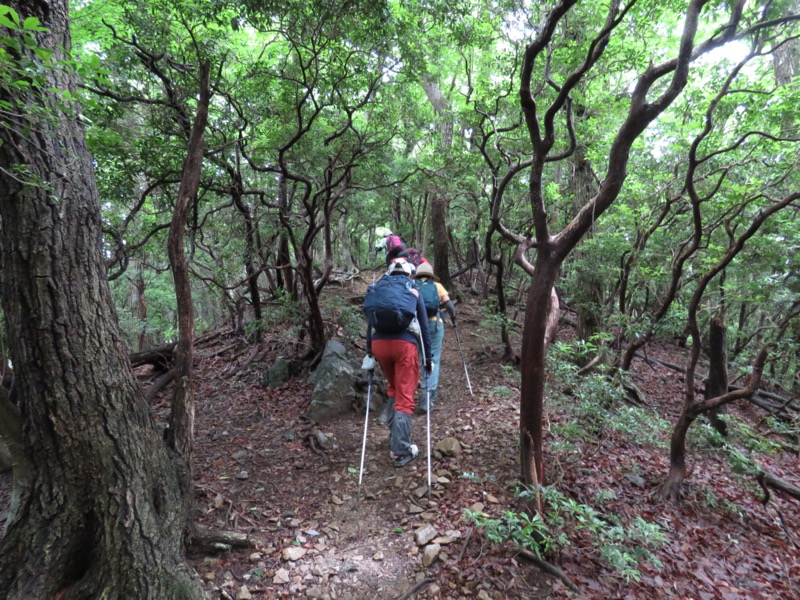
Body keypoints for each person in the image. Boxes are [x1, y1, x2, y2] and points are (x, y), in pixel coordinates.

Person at [364, 258, 432, 467]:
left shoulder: (379, 289)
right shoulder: (412, 289)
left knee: (393, 388)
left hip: (379, 345)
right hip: (405, 345)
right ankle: (402, 449)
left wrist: (369, 352)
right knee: (405, 396)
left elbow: (371, 325)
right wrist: (428, 358)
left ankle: (394, 436)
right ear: (408, 274)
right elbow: (424, 327)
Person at [413, 262, 456, 413]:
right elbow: (449, 305)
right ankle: (428, 396)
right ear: (431, 275)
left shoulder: (412, 285)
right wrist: (454, 318)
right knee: (433, 359)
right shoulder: (437, 286)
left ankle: (421, 393)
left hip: (417, 327)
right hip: (434, 325)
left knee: (422, 358)